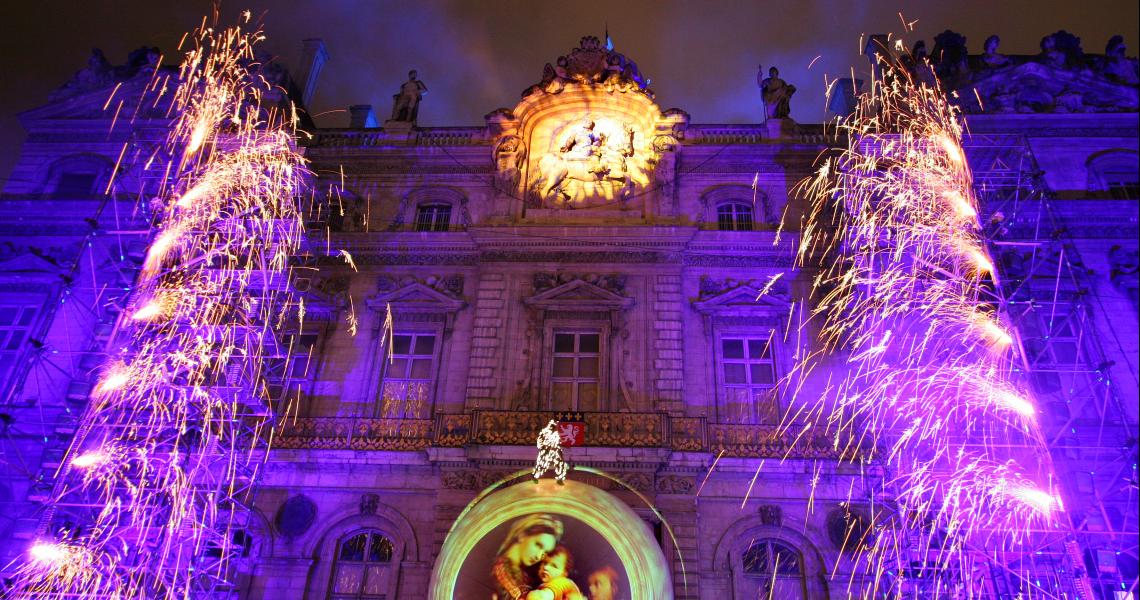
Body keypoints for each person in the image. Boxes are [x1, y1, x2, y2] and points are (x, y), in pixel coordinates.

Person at [492, 514, 564, 600]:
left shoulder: (523, 575)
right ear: (522, 536)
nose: (539, 556)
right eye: (538, 545)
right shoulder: (501, 571)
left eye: (545, 552)